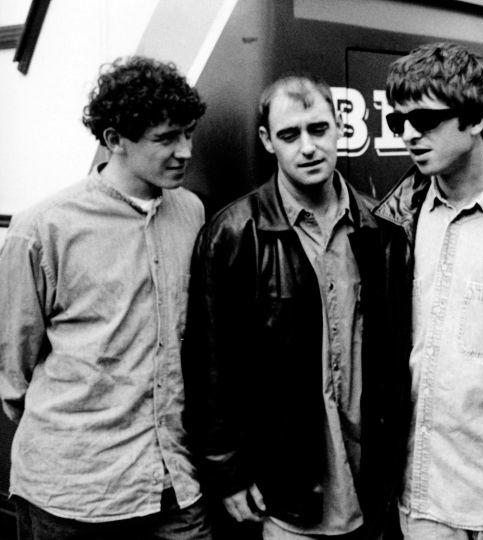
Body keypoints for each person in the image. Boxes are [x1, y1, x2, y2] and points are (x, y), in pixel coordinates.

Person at [182, 75, 406, 539]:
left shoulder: (380, 229)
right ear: (268, 141)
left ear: (339, 129)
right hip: (286, 492)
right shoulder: (233, 233)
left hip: (369, 488)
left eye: (318, 129)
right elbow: (209, 366)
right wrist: (228, 473)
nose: (308, 147)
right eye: (290, 134)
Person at [0, 56, 209, 539]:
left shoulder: (191, 212)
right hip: (72, 496)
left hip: (173, 487)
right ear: (114, 140)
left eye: (188, 133)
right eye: (165, 139)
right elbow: (14, 369)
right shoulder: (44, 228)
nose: (185, 151)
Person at [375, 42, 483, 539]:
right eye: (398, 122)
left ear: (475, 120)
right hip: (423, 500)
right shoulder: (392, 222)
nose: (409, 135)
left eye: (426, 120)